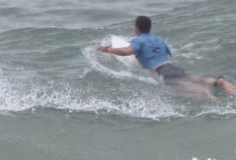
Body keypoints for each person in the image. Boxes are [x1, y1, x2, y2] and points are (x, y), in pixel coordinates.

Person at [95, 15, 235, 99]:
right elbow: (169, 53)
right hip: (171, 65)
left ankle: (203, 92)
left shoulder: (138, 40)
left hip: (162, 70)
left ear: (137, 28)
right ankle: (217, 82)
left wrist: (106, 49)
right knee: (191, 77)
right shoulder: (158, 39)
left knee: (175, 85)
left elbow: (126, 52)